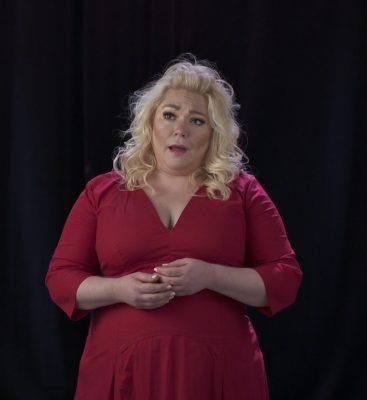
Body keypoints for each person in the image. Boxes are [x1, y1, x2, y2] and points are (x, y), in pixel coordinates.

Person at [46, 55, 303, 400]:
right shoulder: (102, 192)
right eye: (169, 115)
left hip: (218, 372)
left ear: (214, 134)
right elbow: (61, 278)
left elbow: (285, 278)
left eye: (197, 120)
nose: (180, 128)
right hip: (120, 371)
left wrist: (210, 276)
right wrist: (119, 290)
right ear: (150, 123)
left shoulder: (243, 192)